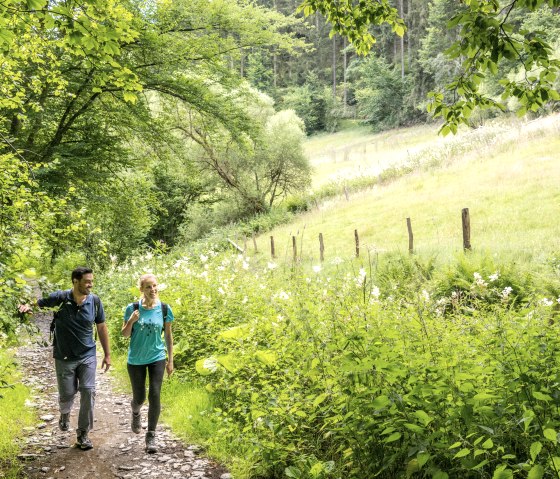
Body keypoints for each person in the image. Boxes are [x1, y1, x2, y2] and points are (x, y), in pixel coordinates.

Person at [18, 266, 111, 450]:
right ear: (75, 281)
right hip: (64, 356)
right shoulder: (60, 298)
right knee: (67, 394)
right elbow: (37, 302)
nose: (90, 285)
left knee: (88, 390)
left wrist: (107, 354)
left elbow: (101, 327)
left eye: (92, 281)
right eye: (87, 281)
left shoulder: (95, 302)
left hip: (87, 355)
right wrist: (25, 306)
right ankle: (65, 413)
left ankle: (83, 434)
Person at [121, 273, 174, 453]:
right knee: (140, 397)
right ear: (141, 289)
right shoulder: (133, 308)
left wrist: (170, 361)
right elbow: (125, 334)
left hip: (157, 357)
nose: (153, 289)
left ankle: (150, 435)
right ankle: (135, 411)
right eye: (148, 287)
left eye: (154, 286)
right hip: (136, 359)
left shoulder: (165, 309)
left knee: (155, 394)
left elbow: (168, 336)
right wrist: (131, 321)